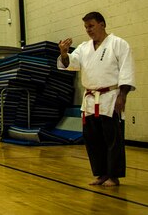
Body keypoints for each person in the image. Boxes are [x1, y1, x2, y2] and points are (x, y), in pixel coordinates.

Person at [58, 12, 135, 187]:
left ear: (102, 24)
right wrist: (64, 53)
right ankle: (101, 173)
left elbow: (126, 71)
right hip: (91, 99)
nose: (88, 30)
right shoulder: (84, 47)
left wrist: (122, 96)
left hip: (110, 97)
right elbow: (71, 63)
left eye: (91, 26)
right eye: (86, 27)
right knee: (92, 139)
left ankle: (113, 176)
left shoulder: (118, 44)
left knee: (112, 138)